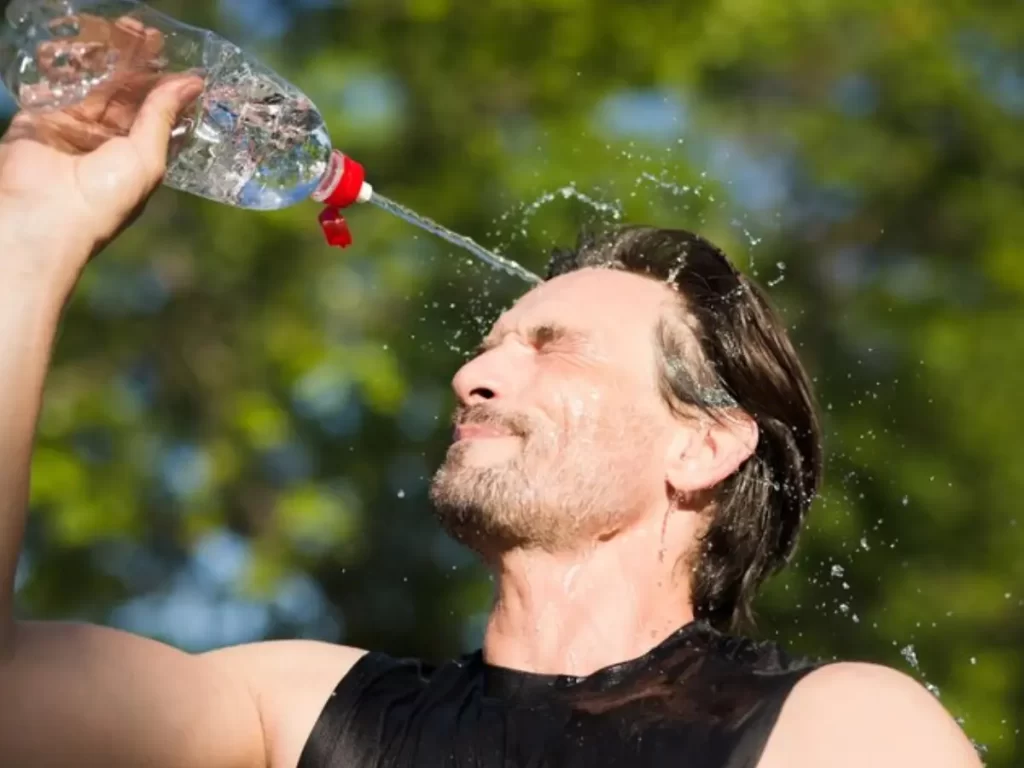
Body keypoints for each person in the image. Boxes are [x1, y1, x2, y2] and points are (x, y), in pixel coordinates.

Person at [0, 80, 982, 768]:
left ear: (702, 444)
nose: (473, 373)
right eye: (487, 344)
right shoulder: (303, 714)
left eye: (551, 346)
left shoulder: (832, 732)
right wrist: (32, 240)